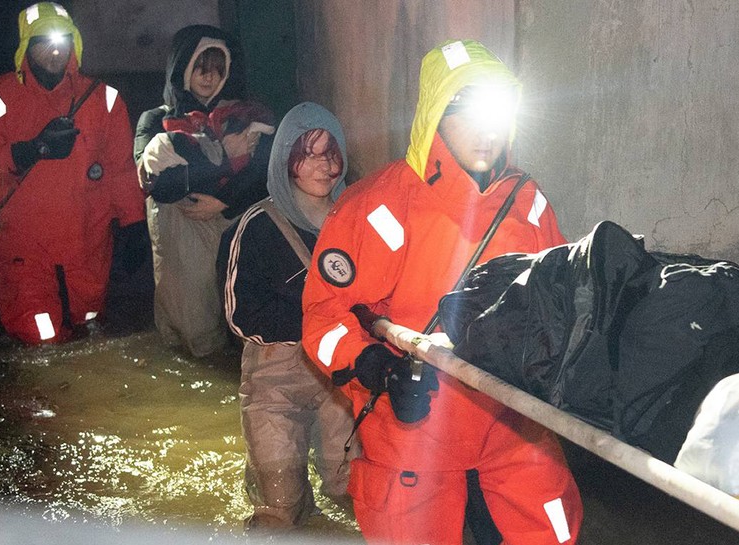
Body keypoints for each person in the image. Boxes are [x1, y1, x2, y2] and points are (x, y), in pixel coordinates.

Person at [301, 39, 584, 544]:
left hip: (514, 431)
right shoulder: (379, 208)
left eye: (496, 113)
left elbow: (563, 307)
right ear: (435, 114)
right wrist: (375, 368)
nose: (487, 131)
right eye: (468, 112)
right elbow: (324, 318)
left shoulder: (530, 204)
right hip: (415, 432)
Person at [0, 2, 144, 345]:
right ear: (26, 45)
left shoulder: (105, 100)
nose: (55, 49)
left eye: (63, 39)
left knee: (91, 339)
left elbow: (121, 171)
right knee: (41, 342)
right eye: (42, 40)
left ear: (75, 44)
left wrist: (134, 224)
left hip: (88, 252)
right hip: (25, 251)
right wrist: (25, 151)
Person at [217, 102, 359, 531]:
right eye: (308, 153)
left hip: (340, 375)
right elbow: (239, 314)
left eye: (330, 153)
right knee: (282, 508)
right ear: (286, 161)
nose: (322, 165)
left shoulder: (356, 220)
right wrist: (314, 325)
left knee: (351, 488)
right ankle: (267, 485)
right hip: (275, 377)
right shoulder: (256, 225)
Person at [134, 25, 273, 358]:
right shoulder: (155, 121)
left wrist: (223, 202)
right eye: (201, 68)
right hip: (180, 231)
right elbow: (162, 186)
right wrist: (225, 160)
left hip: (228, 219)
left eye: (218, 70)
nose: (209, 78)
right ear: (183, 68)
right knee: (190, 318)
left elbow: (262, 174)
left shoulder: (244, 116)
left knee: (241, 305)